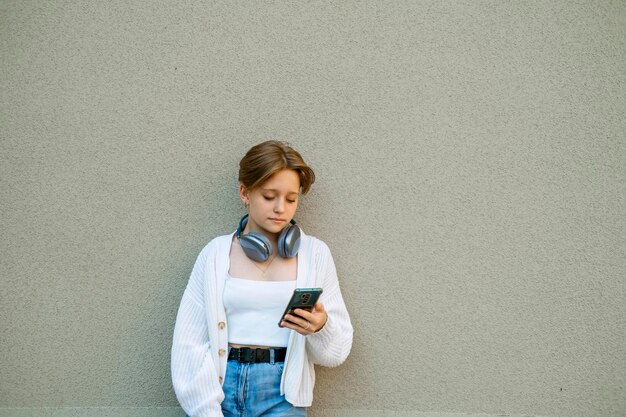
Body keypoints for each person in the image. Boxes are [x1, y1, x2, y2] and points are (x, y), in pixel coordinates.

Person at [171, 140, 353, 417]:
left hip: (283, 396)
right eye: (269, 196)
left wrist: (321, 327)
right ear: (245, 192)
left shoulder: (315, 254)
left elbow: (336, 354)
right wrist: (206, 410)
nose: (281, 208)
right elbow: (189, 346)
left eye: (291, 199)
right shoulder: (215, 254)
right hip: (218, 390)